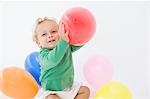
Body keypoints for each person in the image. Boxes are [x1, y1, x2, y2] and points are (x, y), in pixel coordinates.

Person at [33, 17, 90, 99]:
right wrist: (63, 42)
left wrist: (83, 36)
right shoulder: (43, 55)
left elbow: (77, 43)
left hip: (67, 87)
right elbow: (54, 59)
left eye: (53, 31)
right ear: (39, 43)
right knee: (51, 98)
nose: (50, 35)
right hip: (52, 91)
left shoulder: (65, 46)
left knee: (85, 91)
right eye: (44, 34)